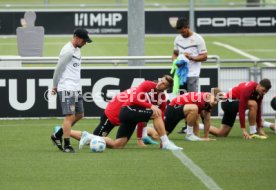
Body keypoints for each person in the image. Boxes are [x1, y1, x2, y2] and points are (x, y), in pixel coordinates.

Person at [73, 75, 183, 150]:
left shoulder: (161, 98)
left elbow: (152, 118)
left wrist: (141, 138)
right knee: (92, 140)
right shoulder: (147, 86)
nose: (160, 84)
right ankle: (65, 130)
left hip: (127, 115)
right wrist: (151, 106)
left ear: (167, 88)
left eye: (163, 84)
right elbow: (135, 101)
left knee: (118, 145)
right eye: (160, 81)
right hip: (114, 113)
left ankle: (86, 135)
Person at [50, 28, 92, 153]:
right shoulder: (67, 51)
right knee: (69, 116)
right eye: (84, 41)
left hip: (75, 87)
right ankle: (67, 145)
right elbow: (58, 69)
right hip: (66, 87)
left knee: (79, 115)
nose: (85, 43)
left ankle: (57, 135)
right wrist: (55, 85)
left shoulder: (77, 49)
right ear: (77, 38)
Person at [171, 17, 208, 133]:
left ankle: (200, 123)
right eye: (179, 31)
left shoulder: (198, 39)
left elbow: (205, 56)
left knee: (193, 100)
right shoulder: (177, 39)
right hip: (181, 74)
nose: (181, 33)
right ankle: (187, 126)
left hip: (193, 73)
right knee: (183, 101)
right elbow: (175, 53)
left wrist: (191, 57)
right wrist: (175, 61)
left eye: (183, 31)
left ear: (187, 27)